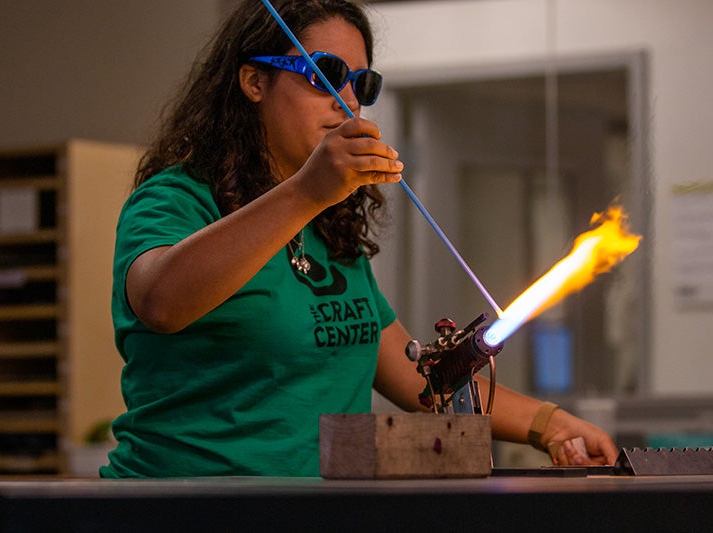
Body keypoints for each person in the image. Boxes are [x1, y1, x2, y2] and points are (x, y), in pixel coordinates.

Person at [100, 0, 618, 478]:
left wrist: (550, 424)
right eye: (326, 74)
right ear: (254, 81)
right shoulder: (177, 198)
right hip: (184, 507)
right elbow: (160, 301)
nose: (348, 102)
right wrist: (306, 193)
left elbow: (417, 380)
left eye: (362, 84)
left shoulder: (327, 223)